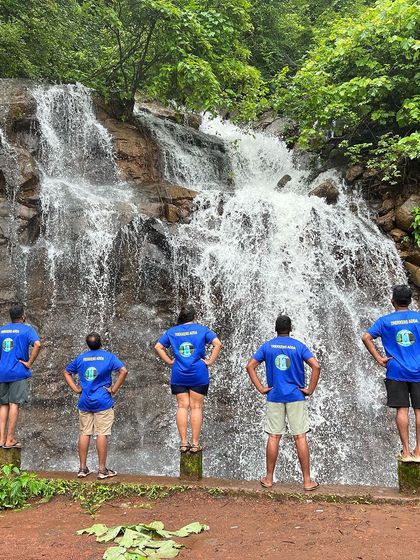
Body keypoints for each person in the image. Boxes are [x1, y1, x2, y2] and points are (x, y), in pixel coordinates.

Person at [246, 314, 320, 490]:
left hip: (275, 395)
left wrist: (261, 388)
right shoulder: (298, 346)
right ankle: (307, 481)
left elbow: (250, 366)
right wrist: (310, 389)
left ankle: (269, 479)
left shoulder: (268, 346)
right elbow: (316, 366)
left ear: (275, 329)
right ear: (290, 328)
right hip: (296, 396)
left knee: (274, 436)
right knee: (300, 436)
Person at [362, 284, 420, 462]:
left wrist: (379, 358)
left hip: (395, 370)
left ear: (393, 301)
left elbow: (366, 337)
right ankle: (419, 452)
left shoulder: (385, 321)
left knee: (402, 410)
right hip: (418, 370)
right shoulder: (418, 318)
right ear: (410, 301)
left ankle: (406, 451)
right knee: (419, 410)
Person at [154, 305, 222, 453]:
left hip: (179, 373)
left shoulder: (172, 332)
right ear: (194, 317)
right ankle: (195, 444)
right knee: (196, 407)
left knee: (182, 406)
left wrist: (169, 361)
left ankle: (184, 443)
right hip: (198, 373)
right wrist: (210, 361)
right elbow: (218, 343)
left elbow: (158, 346)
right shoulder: (202, 329)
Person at [64, 332, 127, 479]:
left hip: (85, 400)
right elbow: (123, 371)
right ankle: (102, 470)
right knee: (102, 433)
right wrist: (113, 389)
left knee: (85, 432)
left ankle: (82, 468)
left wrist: (76, 389)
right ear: (101, 343)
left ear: (88, 344)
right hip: (103, 401)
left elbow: (67, 372)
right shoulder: (108, 356)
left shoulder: (81, 358)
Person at [0, 304, 41, 448]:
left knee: (3, 404)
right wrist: (29, 363)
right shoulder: (27, 329)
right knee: (14, 404)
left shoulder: (2, 330)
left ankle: (1, 439)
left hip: (2, 372)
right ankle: (10, 439)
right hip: (17, 372)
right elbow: (37, 344)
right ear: (23, 316)